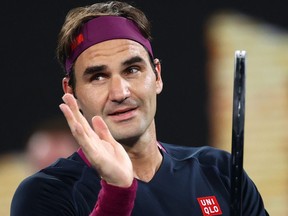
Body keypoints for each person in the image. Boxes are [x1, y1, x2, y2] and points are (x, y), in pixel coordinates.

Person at [11, 1, 269, 215]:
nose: (120, 93)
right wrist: (116, 193)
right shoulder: (45, 193)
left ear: (157, 76)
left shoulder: (220, 171)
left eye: (132, 69)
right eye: (98, 76)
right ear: (71, 92)